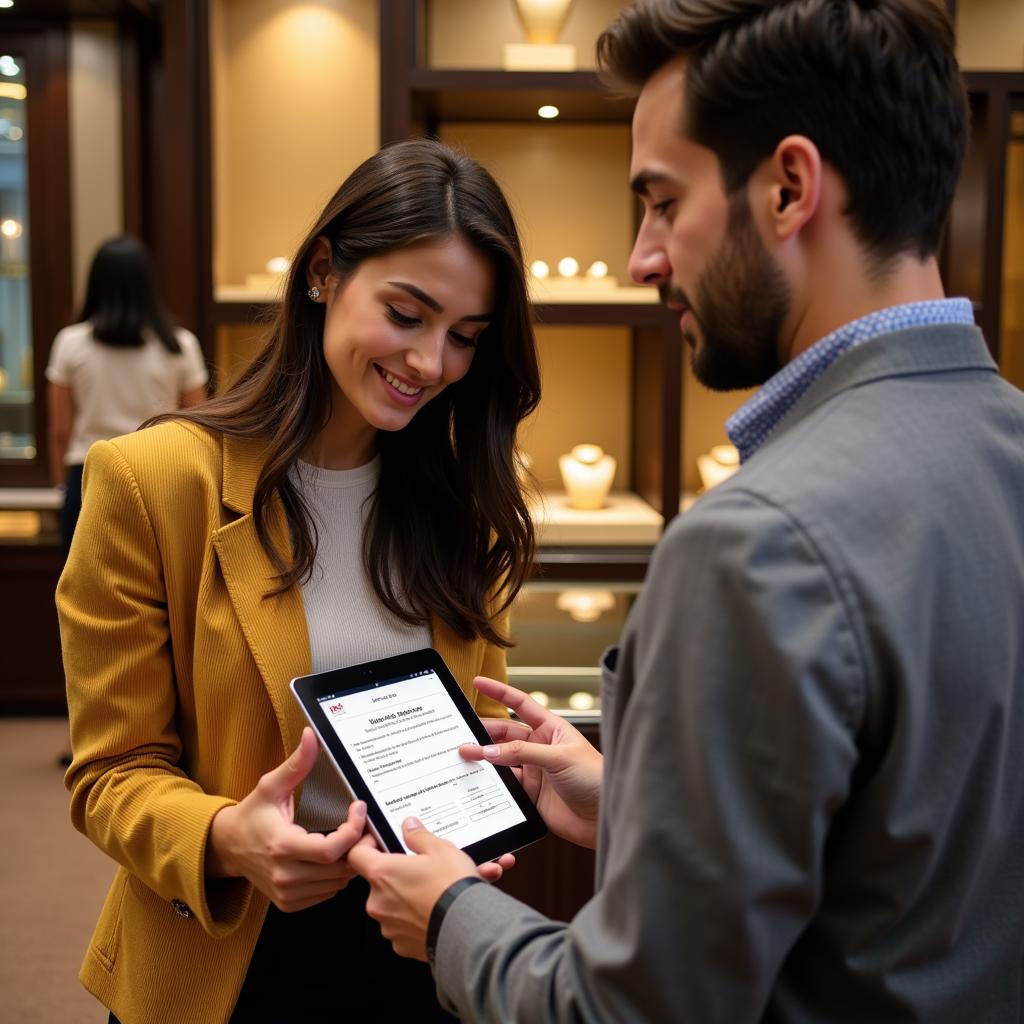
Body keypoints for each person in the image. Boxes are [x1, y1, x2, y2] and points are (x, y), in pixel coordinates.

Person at [348, 2, 1024, 1021]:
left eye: (661, 201)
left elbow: (626, 1012)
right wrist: (634, 795)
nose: (641, 256)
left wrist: (449, 915)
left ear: (789, 187)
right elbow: (912, 844)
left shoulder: (755, 544)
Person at [57, 138, 540, 1024]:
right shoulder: (154, 481)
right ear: (324, 272)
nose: (431, 363)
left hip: (420, 940)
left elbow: (472, 720)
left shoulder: (458, 507)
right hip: (227, 950)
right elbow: (112, 772)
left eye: (465, 338)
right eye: (407, 314)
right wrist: (227, 837)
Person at [46, 235, 208, 551]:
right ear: (147, 283)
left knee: (86, 596)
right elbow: (197, 426)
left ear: (95, 283)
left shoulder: (70, 342)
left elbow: (59, 430)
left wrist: (60, 487)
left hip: (88, 479)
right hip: (161, 477)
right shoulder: (179, 345)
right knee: (162, 591)